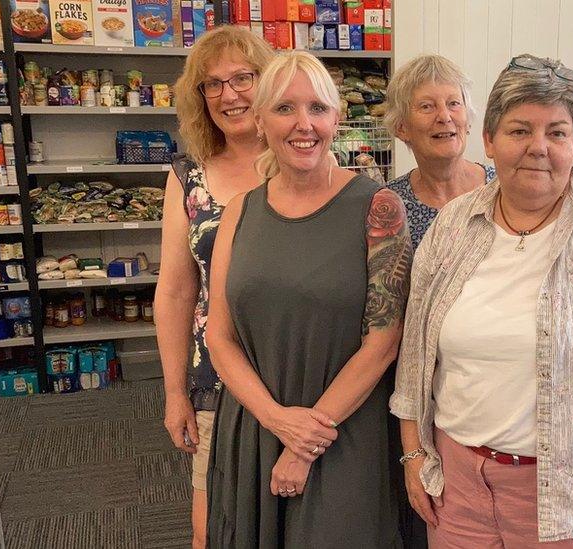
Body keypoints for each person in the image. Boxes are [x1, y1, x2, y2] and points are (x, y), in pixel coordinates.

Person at [390, 53, 573, 548]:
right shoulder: (452, 227)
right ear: (488, 140)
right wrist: (413, 454)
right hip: (458, 489)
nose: (538, 148)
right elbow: (418, 354)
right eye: (518, 131)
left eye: (557, 132)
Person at [204, 51, 411, 548]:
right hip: (255, 425)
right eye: (284, 109)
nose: (304, 124)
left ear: (336, 119)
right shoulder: (239, 212)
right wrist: (278, 420)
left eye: (317, 108)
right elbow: (219, 335)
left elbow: (383, 342)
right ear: (259, 120)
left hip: (345, 432)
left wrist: (305, 441)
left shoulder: (379, 208)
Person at [154, 26, 274, 549]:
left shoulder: (307, 158)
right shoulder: (189, 175)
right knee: (212, 529)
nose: (230, 95)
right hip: (217, 380)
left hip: (299, 373)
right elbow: (177, 291)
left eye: (243, 78)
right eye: (213, 85)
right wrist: (175, 391)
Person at [383, 54, 496, 251]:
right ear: (401, 127)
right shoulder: (390, 205)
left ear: (467, 119)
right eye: (427, 106)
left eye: (454, 104)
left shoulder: (501, 189)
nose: (444, 116)